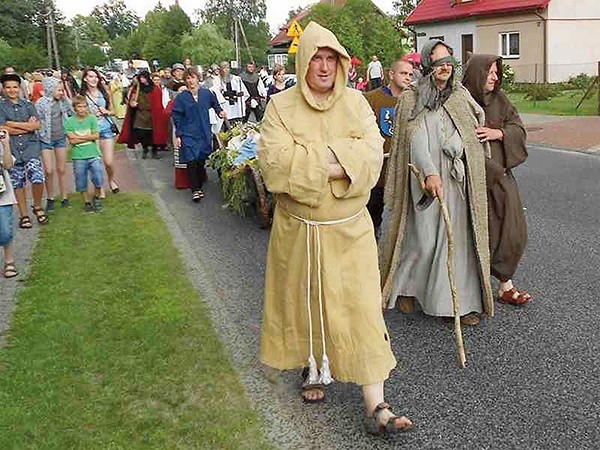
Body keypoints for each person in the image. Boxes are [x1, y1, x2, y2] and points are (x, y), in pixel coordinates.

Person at [258, 21, 413, 435]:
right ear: (304, 61)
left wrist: (312, 159)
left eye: (332, 58)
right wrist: (338, 160)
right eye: (317, 58)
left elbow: (371, 158)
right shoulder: (280, 107)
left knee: (362, 307)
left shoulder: (358, 104)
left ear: (341, 63)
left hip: (350, 230)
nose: (324, 67)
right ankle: (313, 368)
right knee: (308, 302)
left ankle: (376, 402)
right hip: (300, 230)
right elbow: (275, 166)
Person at [380, 39, 493, 325]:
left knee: (456, 240)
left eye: (449, 63)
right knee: (425, 240)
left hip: (455, 181)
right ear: (428, 66)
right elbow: (413, 139)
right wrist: (429, 172)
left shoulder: (460, 95)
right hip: (423, 177)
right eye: (439, 62)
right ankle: (406, 287)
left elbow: (472, 127)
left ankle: (455, 305)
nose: (445, 68)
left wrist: (459, 143)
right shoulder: (412, 97)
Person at [462, 54, 532, 306]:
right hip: (472, 180)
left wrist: (499, 133)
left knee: (514, 230)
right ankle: (475, 291)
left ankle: (505, 283)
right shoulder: (461, 101)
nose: (495, 77)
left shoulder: (500, 100)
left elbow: (518, 128)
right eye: (490, 72)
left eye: (496, 72)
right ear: (478, 74)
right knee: (478, 234)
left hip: (501, 176)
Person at [364, 59, 414, 239]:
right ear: (391, 75)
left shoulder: (415, 101)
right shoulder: (371, 99)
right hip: (377, 176)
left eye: (410, 74)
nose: (408, 77)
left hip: (403, 174)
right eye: (403, 73)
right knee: (371, 224)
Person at [0, 73, 48, 228]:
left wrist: (11, 124)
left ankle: (37, 206)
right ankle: (24, 214)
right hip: (12, 149)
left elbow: (36, 126)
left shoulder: (28, 105)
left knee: (37, 177)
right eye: (8, 87)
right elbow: (2, 130)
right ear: (4, 89)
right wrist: (25, 126)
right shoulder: (1, 107)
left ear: (19, 88)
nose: (12, 90)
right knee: (18, 183)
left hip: (30, 146)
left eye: (14, 87)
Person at [171, 68, 226, 202]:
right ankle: (195, 190)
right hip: (188, 132)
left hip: (203, 131)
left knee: (200, 159)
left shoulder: (206, 93)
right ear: (185, 80)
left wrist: (220, 112)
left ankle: (199, 184)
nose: (191, 81)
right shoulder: (182, 97)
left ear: (198, 79)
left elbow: (215, 104)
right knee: (191, 160)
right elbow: (176, 116)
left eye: (193, 78)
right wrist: (178, 135)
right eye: (188, 78)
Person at [35, 76, 73, 211]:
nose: (61, 93)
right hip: (46, 140)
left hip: (60, 138)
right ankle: (50, 197)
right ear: (50, 90)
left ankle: (64, 197)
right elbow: (37, 120)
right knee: (49, 170)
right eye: (59, 90)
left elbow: (71, 113)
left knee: (61, 169)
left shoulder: (63, 101)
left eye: (62, 90)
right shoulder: (40, 103)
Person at [80, 68, 120, 195]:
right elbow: (77, 113)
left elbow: (113, 111)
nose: (93, 79)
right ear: (85, 78)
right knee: (95, 162)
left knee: (108, 161)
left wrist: (106, 112)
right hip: (91, 131)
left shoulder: (105, 92)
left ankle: (111, 180)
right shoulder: (82, 95)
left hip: (106, 129)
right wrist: (88, 114)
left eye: (95, 77)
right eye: (90, 76)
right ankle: (100, 187)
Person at [64, 96, 104, 213]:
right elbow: (72, 140)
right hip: (78, 156)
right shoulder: (70, 122)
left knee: (98, 177)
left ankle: (96, 197)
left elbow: (96, 135)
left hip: (93, 154)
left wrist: (79, 137)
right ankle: (87, 202)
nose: (82, 109)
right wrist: (88, 138)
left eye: (84, 106)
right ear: (75, 108)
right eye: (79, 107)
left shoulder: (92, 119)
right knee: (81, 180)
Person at [117, 71, 168, 159]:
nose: (142, 80)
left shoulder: (154, 88)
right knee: (141, 133)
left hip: (152, 115)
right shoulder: (136, 89)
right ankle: (145, 148)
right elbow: (130, 99)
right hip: (140, 114)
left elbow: (158, 102)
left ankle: (154, 150)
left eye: (144, 77)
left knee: (152, 134)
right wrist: (132, 103)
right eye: (141, 78)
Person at [0, 127, 18, 278]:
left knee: (5, 231)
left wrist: (6, 144)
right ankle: (9, 262)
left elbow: (8, 165)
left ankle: (9, 260)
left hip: (2, 193)